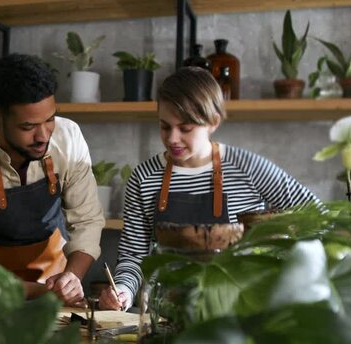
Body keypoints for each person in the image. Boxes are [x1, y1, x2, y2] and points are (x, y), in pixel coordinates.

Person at [99, 67, 321, 310]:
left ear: (213, 122)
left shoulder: (247, 167)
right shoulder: (144, 177)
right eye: (165, 126)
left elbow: (317, 216)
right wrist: (121, 291)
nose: (173, 138)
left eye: (185, 129)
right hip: (165, 315)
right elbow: (133, 257)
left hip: (238, 314)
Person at [0, 54, 105, 305]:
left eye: (50, 119)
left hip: (56, 288)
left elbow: (87, 220)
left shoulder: (68, 138)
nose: (43, 136)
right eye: (28, 127)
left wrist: (72, 278)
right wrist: (41, 291)